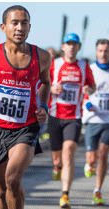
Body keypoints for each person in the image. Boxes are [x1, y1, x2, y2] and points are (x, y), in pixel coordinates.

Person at [0, 5, 51, 209]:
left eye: (24, 23)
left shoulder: (42, 57)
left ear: (30, 27)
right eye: (15, 23)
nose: (19, 27)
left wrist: (43, 107)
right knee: (3, 189)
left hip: (25, 128)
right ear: (3, 27)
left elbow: (46, 83)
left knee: (12, 178)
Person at [48, 33, 96, 208]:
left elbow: (93, 85)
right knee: (57, 159)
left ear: (79, 47)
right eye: (68, 44)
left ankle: (65, 195)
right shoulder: (55, 65)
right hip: (54, 115)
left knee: (68, 153)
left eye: (74, 44)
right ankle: (57, 167)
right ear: (63, 46)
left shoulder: (84, 66)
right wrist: (52, 89)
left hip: (74, 117)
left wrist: (88, 89)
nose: (71, 47)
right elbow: (42, 84)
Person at [82, 39, 109, 205]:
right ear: (96, 52)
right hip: (92, 119)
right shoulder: (89, 69)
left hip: (108, 119)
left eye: (106, 51)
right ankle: (90, 163)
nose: (103, 54)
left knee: (103, 153)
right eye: (100, 51)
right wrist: (87, 102)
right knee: (92, 159)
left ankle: (97, 190)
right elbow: (83, 90)